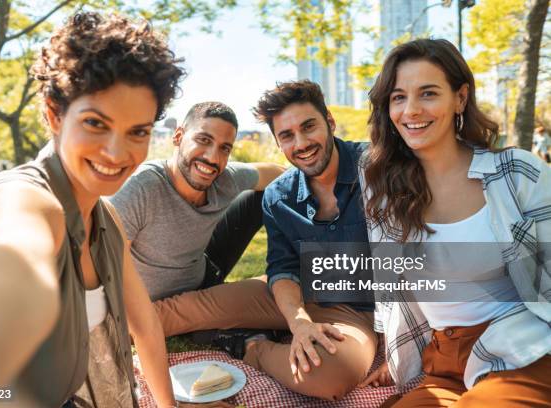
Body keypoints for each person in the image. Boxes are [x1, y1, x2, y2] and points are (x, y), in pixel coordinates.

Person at [0, 12, 191, 408]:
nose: (116, 152)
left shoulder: (106, 220)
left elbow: (145, 324)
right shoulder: (25, 200)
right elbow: (9, 261)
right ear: (55, 114)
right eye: (95, 123)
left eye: (137, 132)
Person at [153, 80, 377, 401]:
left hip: (357, 311)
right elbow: (283, 268)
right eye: (287, 135)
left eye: (308, 127)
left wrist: (403, 349)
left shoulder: (376, 168)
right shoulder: (278, 196)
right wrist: (298, 322)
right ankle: (87, 333)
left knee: (328, 376)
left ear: (329, 121)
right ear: (278, 142)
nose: (301, 143)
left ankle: (251, 346)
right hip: (293, 292)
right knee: (180, 311)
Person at [360, 38, 551, 407]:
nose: (411, 110)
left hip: (520, 349)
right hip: (441, 361)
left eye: (428, 93)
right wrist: (390, 350)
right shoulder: (382, 186)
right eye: (398, 97)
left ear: (460, 98)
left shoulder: (517, 174)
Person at [111, 101, 284, 301]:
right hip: (160, 303)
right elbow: (106, 268)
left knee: (269, 192)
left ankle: (313, 267)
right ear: (178, 136)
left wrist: (317, 183)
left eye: (224, 148)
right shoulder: (140, 188)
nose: (212, 157)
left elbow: (275, 173)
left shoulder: (223, 178)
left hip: (205, 275)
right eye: (203, 140)